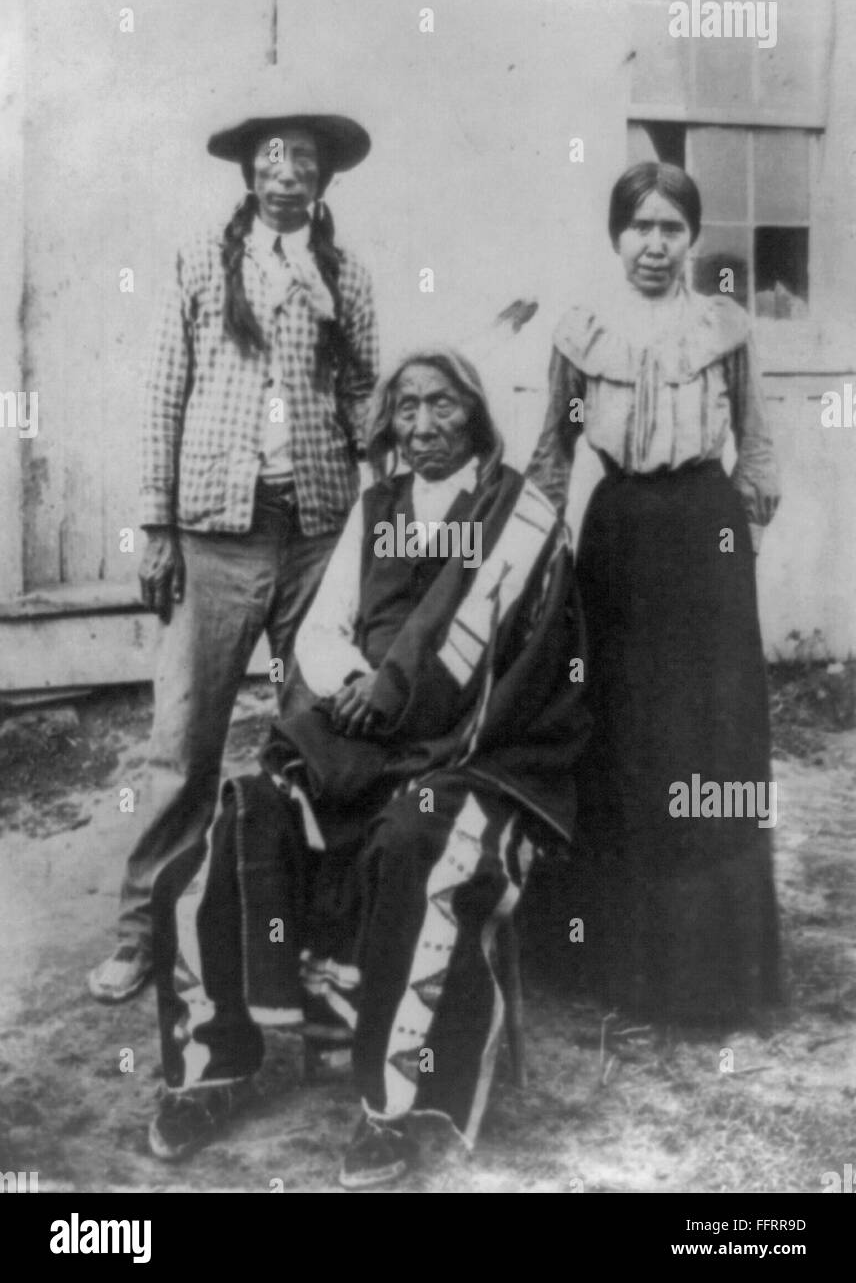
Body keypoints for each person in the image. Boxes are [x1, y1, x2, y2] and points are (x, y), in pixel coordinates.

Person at [147, 350, 590, 1189]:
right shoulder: (377, 508)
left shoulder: (519, 518)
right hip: (367, 734)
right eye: (408, 409)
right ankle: (212, 1066)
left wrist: (409, 699)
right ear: (388, 423)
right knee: (243, 817)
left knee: (417, 841)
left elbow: (534, 670)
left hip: (476, 748)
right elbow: (320, 631)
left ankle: (391, 1104)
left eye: (443, 407)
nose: (422, 426)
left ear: (476, 417)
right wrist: (360, 687)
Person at [88, 81, 378, 1003]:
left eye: (304, 159)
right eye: (272, 157)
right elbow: (162, 398)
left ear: (324, 177)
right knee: (181, 745)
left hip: (318, 535)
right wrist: (157, 526)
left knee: (315, 735)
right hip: (214, 536)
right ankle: (142, 935)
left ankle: (301, 937)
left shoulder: (347, 274)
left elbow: (369, 396)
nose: (287, 174)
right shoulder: (200, 265)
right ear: (249, 172)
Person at [527, 161, 781, 1027]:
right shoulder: (582, 334)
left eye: (672, 227)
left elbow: (759, 445)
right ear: (616, 235)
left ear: (691, 240)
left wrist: (736, 534)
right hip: (620, 539)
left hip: (703, 542)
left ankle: (714, 972)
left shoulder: (724, 327)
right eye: (639, 226)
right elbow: (554, 453)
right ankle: (620, 967)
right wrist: (540, 551)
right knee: (625, 737)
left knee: (708, 739)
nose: (655, 244)